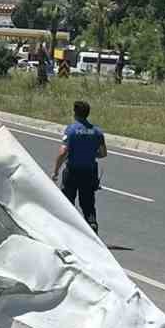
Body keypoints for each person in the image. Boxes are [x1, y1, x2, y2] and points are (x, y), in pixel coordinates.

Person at [51, 99, 107, 234]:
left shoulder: (71, 130)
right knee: (88, 203)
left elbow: (63, 152)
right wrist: (90, 153)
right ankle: (92, 226)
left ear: (75, 113)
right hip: (90, 172)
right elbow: (103, 153)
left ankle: (66, 231)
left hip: (73, 171)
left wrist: (55, 171)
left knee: (67, 203)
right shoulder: (97, 132)